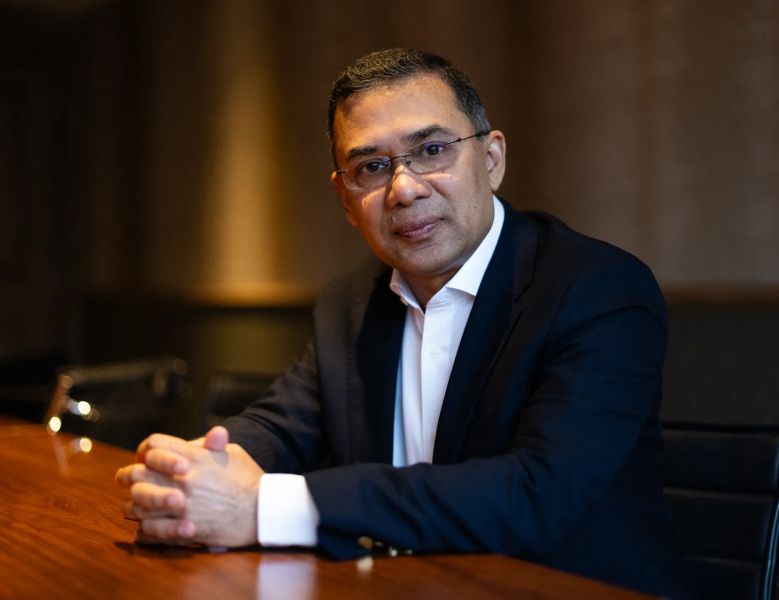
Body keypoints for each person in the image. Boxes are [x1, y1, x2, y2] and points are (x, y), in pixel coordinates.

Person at [116, 48, 695, 598]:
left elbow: (538, 493)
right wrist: (191, 474)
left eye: (432, 150)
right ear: (346, 200)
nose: (405, 189)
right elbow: (283, 426)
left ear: (491, 159)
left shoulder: (596, 289)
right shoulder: (350, 302)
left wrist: (266, 507)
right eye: (372, 167)